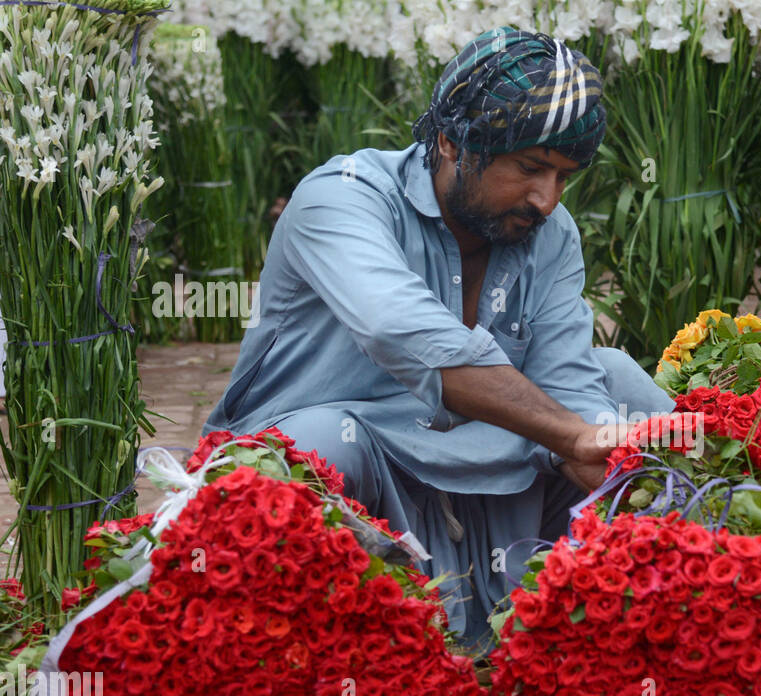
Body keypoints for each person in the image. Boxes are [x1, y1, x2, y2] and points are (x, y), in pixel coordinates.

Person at [203, 27, 676, 655]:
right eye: (530, 169)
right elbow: (402, 332)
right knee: (315, 447)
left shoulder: (550, 232)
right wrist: (569, 434)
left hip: (485, 470)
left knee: (618, 386)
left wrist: (600, 448)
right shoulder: (341, 199)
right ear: (452, 142)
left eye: (565, 176)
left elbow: (568, 381)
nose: (546, 199)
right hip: (360, 456)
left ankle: (647, 610)